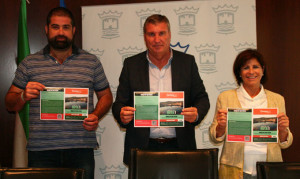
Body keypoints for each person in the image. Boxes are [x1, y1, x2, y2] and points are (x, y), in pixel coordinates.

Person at [5, 7, 113, 179]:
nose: (61, 32)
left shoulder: (91, 61)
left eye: (66, 27)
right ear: (46, 30)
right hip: (41, 151)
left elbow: (106, 96)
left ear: (74, 30)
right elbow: (10, 103)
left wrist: (96, 115)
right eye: (55, 27)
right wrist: (23, 95)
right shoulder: (29, 63)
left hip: (80, 149)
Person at [112, 14, 210, 166]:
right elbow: (119, 103)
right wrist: (122, 114)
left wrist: (196, 113)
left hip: (180, 147)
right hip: (142, 148)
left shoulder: (187, 62)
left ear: (169, 35)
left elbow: (202, 98)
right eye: (151, 34)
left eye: (161, 33)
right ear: (145, 37)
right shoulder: (131, 65)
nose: (157, 40)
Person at [209, 49, 293, 179]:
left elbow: (285, 142)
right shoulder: (225, 97)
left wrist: (282, 130)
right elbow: (215, 137)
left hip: (269, 169)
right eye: (245, 67)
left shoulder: (277, 99)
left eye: (255, 67)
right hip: (234, 168)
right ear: (239, 72)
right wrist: (221, 126)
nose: (251, 71)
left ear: (263, 70)